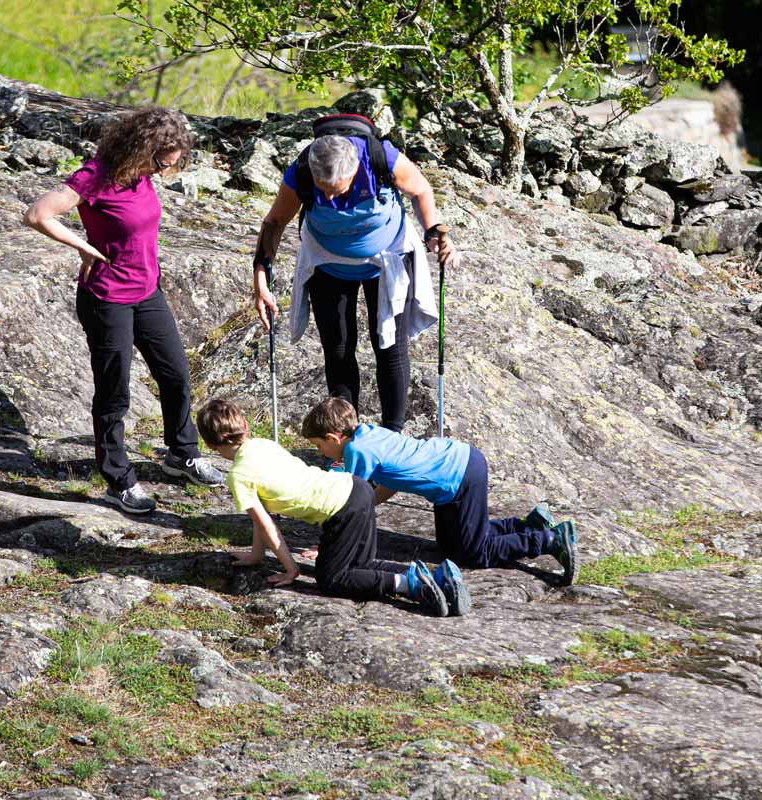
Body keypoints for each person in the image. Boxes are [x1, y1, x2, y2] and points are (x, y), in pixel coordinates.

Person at [24, 106, 223, 515]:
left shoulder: (142, 176)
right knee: (115, 391)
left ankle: (181, 455)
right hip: (107, 298)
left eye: (171, 164)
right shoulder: (94, 177)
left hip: (148, 292)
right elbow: (37, 214)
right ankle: (117, 478)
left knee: (175, 373)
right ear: (141, 148)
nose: (164, 171)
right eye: (160, 162)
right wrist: (81, 245)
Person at [249, 124, 458, 432]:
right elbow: (275, 221)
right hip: (327, 262)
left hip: (386, 260)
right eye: (324, 189)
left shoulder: (381, 159)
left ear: (355, 169)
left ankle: (392, 436)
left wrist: (431, 231)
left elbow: (421, 189)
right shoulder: (302, 172)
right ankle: (344, 438)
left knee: (390, 347)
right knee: (338, 350)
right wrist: (260, 280)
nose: (331, 195)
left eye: (339, 188)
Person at [196, 397, 468, 616]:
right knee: (360, 565)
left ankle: (412, 585)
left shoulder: (239, 475)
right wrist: (256, 557)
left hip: (343, 509)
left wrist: (291, 569)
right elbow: (262, 519)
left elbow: (266, 523)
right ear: (244, 424)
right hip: (358, 489)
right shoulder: (264, 445)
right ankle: (437, 577)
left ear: (209, 444)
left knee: (332, 579)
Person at [301, 397, 578, 588]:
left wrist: (329, 546)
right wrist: (371, 502)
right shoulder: (368, 433)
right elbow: (389, 485)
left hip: (458, 477)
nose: (320, 453)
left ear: (333, 438)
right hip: (458, 465)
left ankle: (550, 540)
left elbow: (351, 505)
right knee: (451, 548)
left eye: (318, 446)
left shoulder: (356, 451)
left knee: (474, 553)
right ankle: (527, 525)